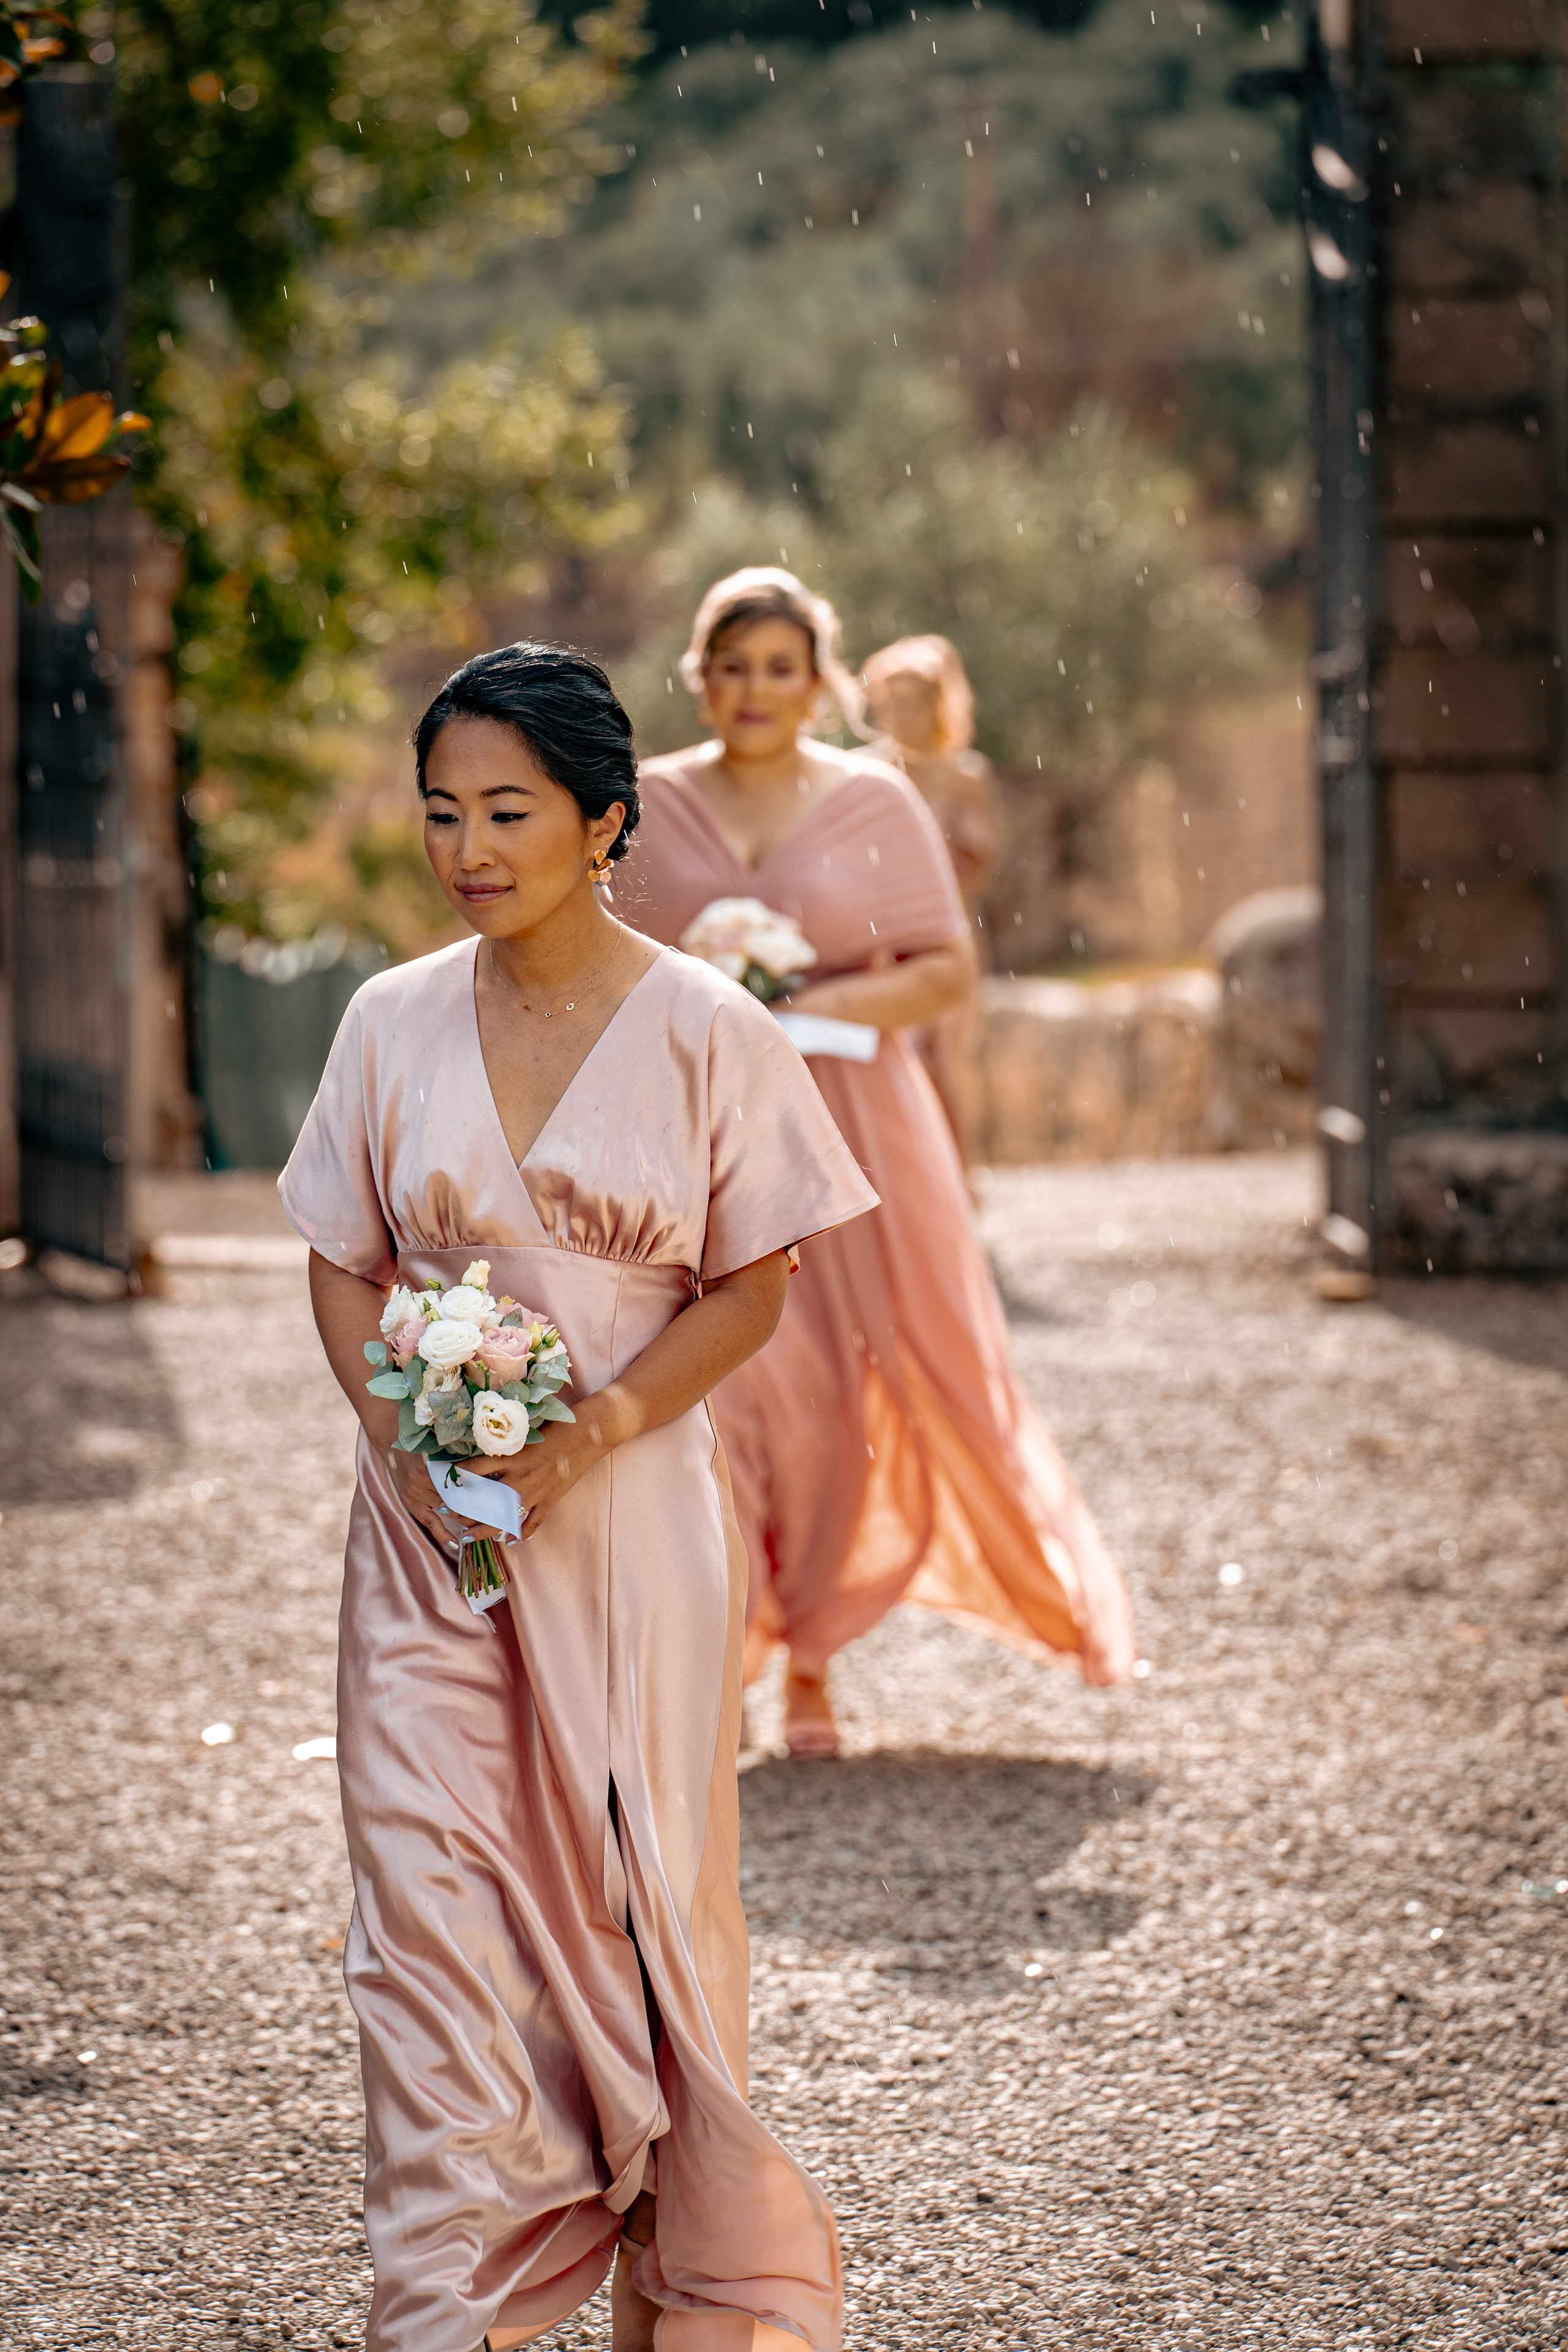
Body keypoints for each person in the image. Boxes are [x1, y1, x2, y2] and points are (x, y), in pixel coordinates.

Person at [279, 641, 875, 2352]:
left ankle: (663, 2260)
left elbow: (751, 1287)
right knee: (425, 1915)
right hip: (428, 1544)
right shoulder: (387, 1018)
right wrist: (405, 1440)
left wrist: (594, 1432)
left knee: (636, 1912)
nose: (468, 847)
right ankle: (444, 2308)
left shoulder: (709, 1026)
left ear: (606, 819)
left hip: (631, 1527)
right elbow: (341, 1264)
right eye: (443, 812)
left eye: (509, 811)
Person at [626, 569, 1136, 1762]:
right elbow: (604, 966)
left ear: (818, 683)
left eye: (779, 669)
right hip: (694, 1133)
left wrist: (808, 1000)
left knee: (840, 1397)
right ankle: (725, 1653)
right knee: (730, 1388)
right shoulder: (645, 804)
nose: (755, 691)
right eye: (733, 667)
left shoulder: (875, 800)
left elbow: (945, 972)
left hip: (852, 1124)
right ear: (700, 678)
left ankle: (809, 1655)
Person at [861, 634, 1000, 1170]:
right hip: (878, 935)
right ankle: (903, 1174)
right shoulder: (863, 774)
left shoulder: (967, 774)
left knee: (949, 1054)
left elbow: (985, 862)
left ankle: (960, 1176)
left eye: (913, 703)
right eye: (891, 704)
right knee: (890, 1057)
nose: (901, 716)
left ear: (937, 705)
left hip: (947, 930)